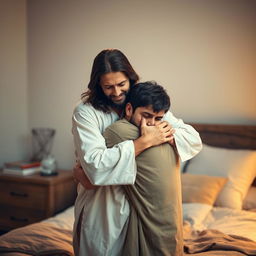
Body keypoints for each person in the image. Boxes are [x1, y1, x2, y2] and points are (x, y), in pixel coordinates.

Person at [72, 49, 202, 255]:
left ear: (130, 80)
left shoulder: (145, 105)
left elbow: (192, 139)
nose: (116, 92)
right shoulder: (86, 113)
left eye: (121, 84)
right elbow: (95, 166)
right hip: (104, 206)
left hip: (142, 206)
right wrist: (144, 142)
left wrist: (165, 131)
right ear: (98, 85)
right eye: (108, 87)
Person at [103, 81, 183, 255]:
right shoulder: (118, 132)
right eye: (146, 115)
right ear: (129, 109)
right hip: (168, 231)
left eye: (158, 118)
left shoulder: (168, 134)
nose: (152, 125)